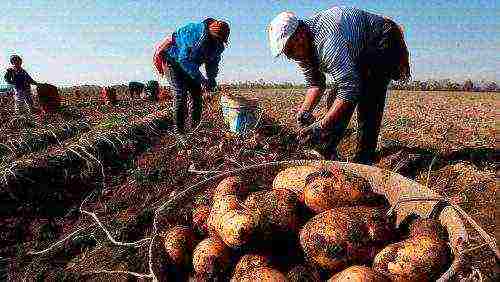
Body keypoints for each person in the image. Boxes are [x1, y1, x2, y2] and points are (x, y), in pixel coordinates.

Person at [268, 7, 410, 165]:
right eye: (286, 53)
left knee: (368, 99)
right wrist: (304, 111)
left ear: (300, 34)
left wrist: (320, 126)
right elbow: (315, 83)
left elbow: (349, 88)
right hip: (358, 49)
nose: (290, 56)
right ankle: (328, 150)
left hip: (380, 39)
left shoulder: (328, 42)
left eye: (290, 49)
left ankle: (364, 158)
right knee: (335, 98)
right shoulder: (303, 49)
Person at [153, 18, 230, 136]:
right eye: (216, 39)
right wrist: (202, 80)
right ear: (211, 34)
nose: (218, 42)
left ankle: (196, 127)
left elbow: (212, 63)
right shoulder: (194, 35)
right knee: (180, 94)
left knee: (197, 94)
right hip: (173, 61)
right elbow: (183, 60)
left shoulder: (218, 46)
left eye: (221, 41)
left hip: (190, 64)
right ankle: (180, 132)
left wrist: (211, 79)